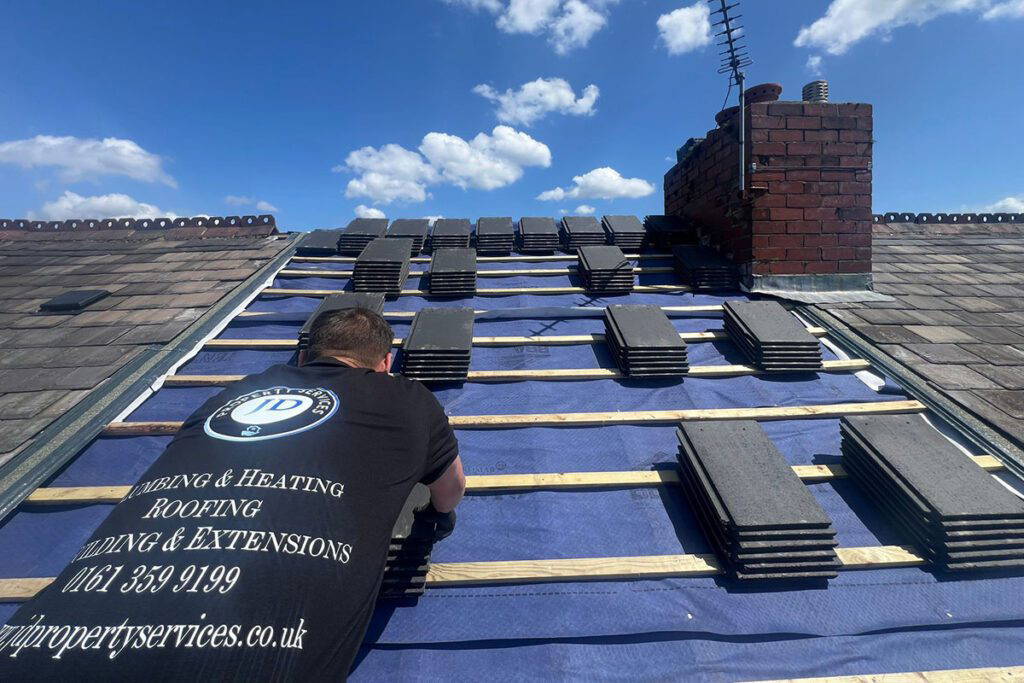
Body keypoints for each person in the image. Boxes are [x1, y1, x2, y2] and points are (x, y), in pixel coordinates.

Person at [0, 307, 465, 680]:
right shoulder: (408, 397)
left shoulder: (240, 389)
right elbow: (450, 489)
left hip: (47, 640)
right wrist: (438, 521)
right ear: (385, 364)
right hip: (247, 653)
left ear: (303, 358)